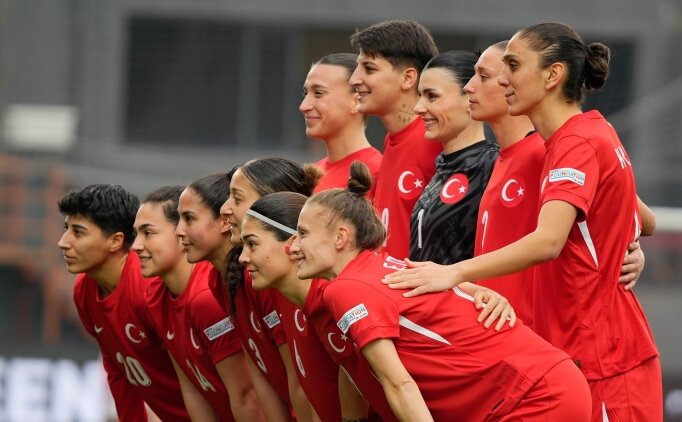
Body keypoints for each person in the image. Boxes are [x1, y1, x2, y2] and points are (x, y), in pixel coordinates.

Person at [384, 22, 662, 421]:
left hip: (602, 356)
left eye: (510, 66)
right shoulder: (560, 142)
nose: (500, 80)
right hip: (563, 355)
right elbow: (627, 215)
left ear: (552, 75)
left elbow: (554, 239)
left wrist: (453, 273)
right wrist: (621, 240)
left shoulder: (569, 143)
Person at [288, 162, 591, 421]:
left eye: (303, 234)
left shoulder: (346, 288)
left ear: (341, 237)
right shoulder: (376, 268)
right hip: (545, 384)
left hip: (534, 397)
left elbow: (400, 385)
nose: (294, 247)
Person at [463, 40, 654, 326]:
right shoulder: (502, 157)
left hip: (540, 331)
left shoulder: (549, 151)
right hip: (502, 331)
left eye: (484, 75)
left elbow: (636, 213)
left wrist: (627, 249)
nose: (469, 86)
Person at [238, 192, 395, 421]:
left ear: (293, 243)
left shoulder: (336, 298)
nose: (243, 258)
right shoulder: (299, 302)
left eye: (252, 244)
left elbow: (399, 385)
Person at [57, 184, 190, 422]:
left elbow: (196, 372)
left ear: (115, 241)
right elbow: (117, 367)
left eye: (78, 232)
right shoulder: (83, 290)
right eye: (66, 229)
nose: (63, 242)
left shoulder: (149, 289)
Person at [135, 184, 265, 421]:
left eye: (148, 233)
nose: (136, 246)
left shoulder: (206, 296)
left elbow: (247, 394)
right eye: (136, 234)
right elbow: (192, 388)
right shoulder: (155, 297)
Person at [220, 158, 322, 421]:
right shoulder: (251, 277)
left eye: (237, 199)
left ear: (272, 203)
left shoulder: (317, 289)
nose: (224, 208)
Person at [349, 20, 443, 259]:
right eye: (357, 67)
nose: (354, 80)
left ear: (408, 78)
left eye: (369, 69)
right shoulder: (392, 140)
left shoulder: (436, 141)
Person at [410, 50, 499, 264]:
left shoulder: (492, 164)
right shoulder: (443, 166)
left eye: (432, 96)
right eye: (420, 96)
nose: (418, 108)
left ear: (469, 97)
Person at [300, 52, 383, 196]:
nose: (304, 106)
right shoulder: (309, 177)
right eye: (306, 93)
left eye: (318, 93)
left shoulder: (377, 173)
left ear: (356, 101)